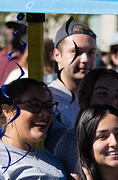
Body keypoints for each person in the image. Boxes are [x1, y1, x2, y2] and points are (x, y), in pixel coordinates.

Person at [46, 19, 97, 150]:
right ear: (57, 55)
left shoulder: (98, 98)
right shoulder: (47, 101)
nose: (85, 59)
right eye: (77, 52)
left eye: (91, 52)